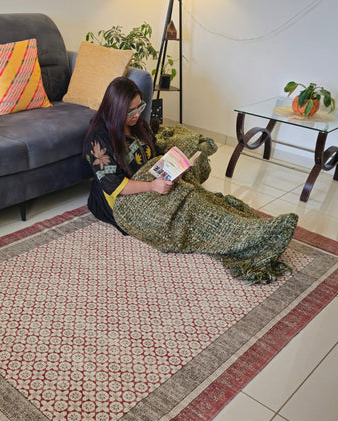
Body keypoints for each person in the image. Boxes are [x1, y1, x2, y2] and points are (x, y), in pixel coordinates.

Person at [83, 77, 298, 283]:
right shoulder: (99, 139)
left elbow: (156, 152)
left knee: (192, 193)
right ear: (116, 109)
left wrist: (174, 167)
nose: (138, 114)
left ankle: (250, 224)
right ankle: (247, 236)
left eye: (140, 107)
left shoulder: (138, 124)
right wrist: (152, 185)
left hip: (154, 180)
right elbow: (114, 185)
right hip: (124, 200)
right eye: (131, 110)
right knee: (188, 211)